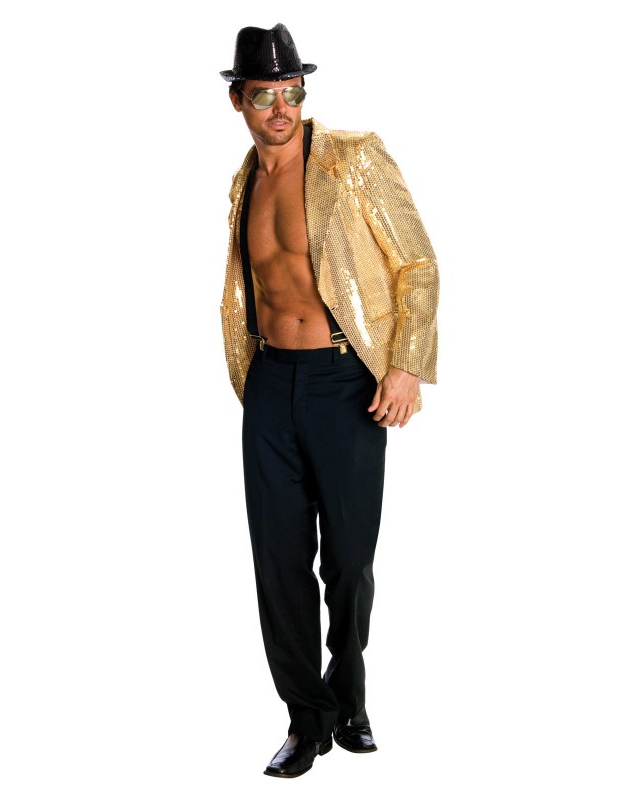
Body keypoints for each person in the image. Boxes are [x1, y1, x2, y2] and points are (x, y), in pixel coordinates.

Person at [219, 22, 439, 778]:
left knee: (348, 561)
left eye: (291, 92)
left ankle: (349, 698)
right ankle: (305, 718)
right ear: (239, 101)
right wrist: (255, 386)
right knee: (278, 563)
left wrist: (405, 366)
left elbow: (416, 263)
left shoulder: (352, 158)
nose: (280, 107)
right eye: (264, 95)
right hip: (269, 384)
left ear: (302, 93)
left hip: (345, 382)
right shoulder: (243, 183)